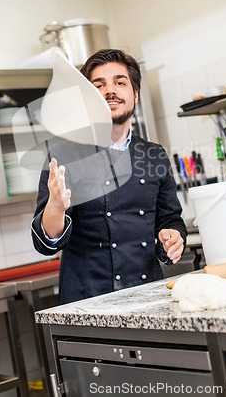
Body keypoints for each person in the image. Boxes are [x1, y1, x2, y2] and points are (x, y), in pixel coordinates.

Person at [31, 49, 187, 304]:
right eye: (99, 86)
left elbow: (170, 219)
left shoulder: (154, 155)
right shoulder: (65, 155)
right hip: (87, 301)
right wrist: (55, 208)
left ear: (135, 95)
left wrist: (172, 237)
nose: (110, 91)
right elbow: (46, 243)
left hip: (148, 296)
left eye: (120, 82)